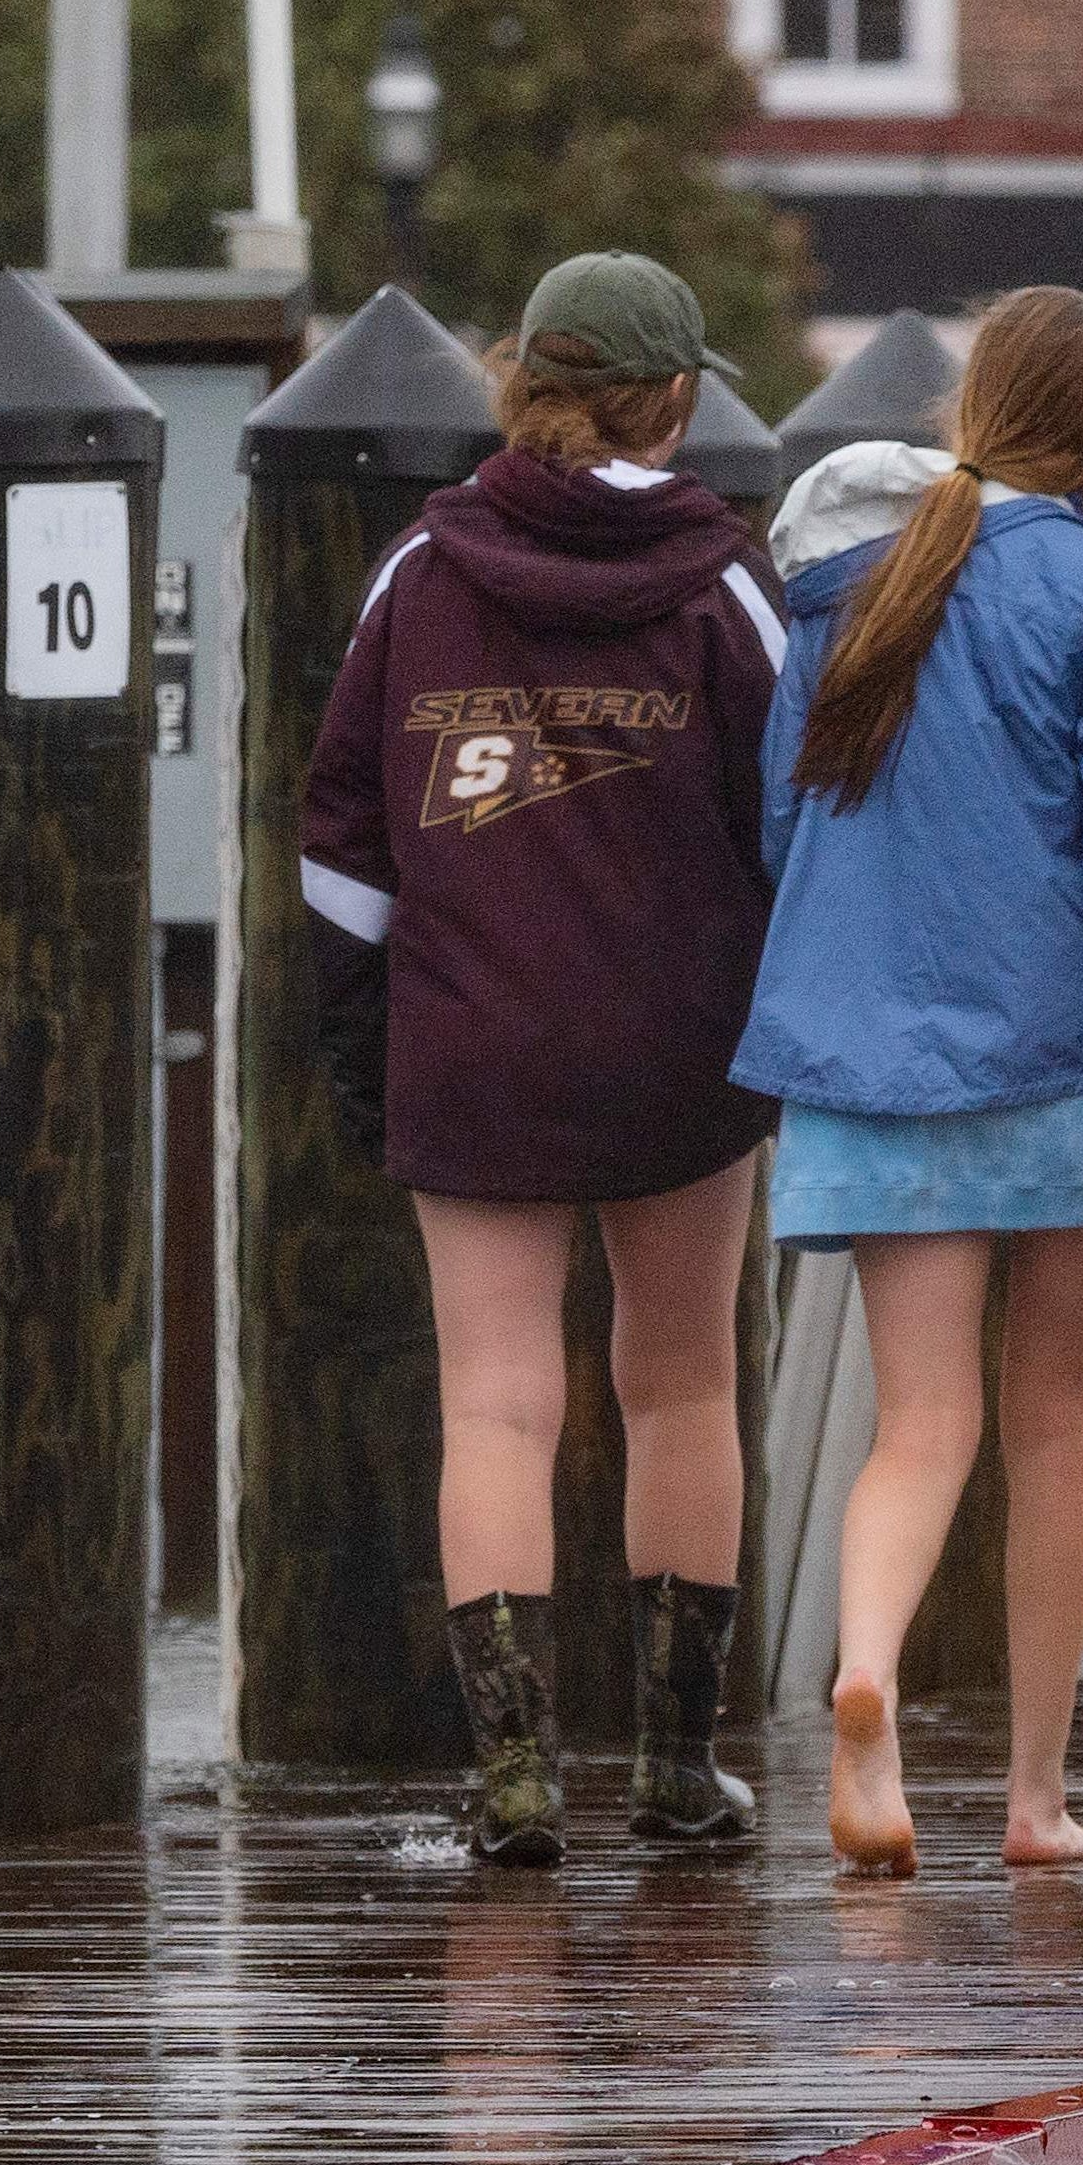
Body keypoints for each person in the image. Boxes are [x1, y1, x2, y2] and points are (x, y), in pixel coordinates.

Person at [738, 286, 1083, 1880]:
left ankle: (867, 1658)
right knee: (1051, 1414)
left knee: (919, 1419)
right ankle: (1033, 1794)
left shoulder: (846, 589)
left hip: (872, 1062)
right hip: (1061, 1055)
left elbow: (783, 824)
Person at [300, 252, 782, 1868]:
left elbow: (343, 838)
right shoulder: (722, 591)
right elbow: (787, 829)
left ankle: (513, 1778)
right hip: (680, 1051)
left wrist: (368, 1041)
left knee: (498, 1406)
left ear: (526, 380)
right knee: (683, 1381)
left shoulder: (422, 576)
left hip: (474, 1039)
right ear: (680, 395)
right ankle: (673, 1764)